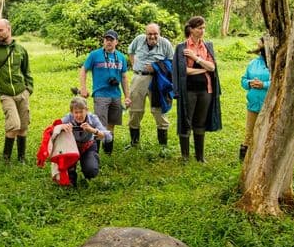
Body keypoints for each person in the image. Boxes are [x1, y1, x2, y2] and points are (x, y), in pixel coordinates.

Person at [171, 16, 221, 162]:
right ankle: (185, 156)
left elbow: (213, 67)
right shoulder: (182, 47)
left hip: (206, 89)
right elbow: (183, 71)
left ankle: (200, 157)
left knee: (200, 122)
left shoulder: (207, 46)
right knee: (187, 120)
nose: (202, 31)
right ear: (191, 29)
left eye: (204, 28)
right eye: (199, 28)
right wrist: (203, 69)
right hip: (188, 89)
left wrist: (196, 58)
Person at [0, 18, 33, 163]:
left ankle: (21, 158)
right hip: (5, 94)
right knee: (14, 124)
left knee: (23, 126)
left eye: (0, 30)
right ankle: (6, 158)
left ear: (8, 29)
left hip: (21, 92)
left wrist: (28, 89)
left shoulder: (20, 49)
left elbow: (27, 71)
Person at [78, 29, 130, 154]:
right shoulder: (95, 55)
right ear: (103, 41)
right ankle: (94, 152)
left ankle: (108, 152)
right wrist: (83, 88)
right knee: (99, 124)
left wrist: (127, 96)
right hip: (100, 94)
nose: (108, 42)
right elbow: (83, 70)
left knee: (112, 124)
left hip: (116, 95)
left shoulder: (121, 57)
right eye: (106, 39)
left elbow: (124, 77)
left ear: (116, 42)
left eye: (111, 40)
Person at [126, 23, 175, 152]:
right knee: (135, 111)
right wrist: (135, 65)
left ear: (159, 33)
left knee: (159, 111)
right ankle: (134, 144)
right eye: (149, 34)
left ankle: (163, 147)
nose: (152, 36)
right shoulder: (138, 39)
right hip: (139, 78)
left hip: (157, 80)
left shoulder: (165, 43)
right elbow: (130, 51)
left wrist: (157, 67)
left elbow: (171, 62)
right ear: (145, 33)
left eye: (155, 34)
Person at [61, 96, 112, 185]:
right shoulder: (68, 118)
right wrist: (62, 128)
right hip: (71, 147)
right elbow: (52, 130)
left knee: (91, 171)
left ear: (87, 110)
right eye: (76, 112)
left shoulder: (93, 118)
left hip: (88, 146)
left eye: (81, 112)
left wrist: (93, 130)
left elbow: (108, 137)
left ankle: (89, 168)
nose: (79, 115)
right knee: (67, 177)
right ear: (71, 112)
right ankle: (71, 177)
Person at [239, 38, 271, 161]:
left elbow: (281, 82)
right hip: (253, 103)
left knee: (267, 132)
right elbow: (243, 80)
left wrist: (264, 84)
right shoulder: (253, 63)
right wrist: (249, 82)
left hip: (269, 104)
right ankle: (246, 159)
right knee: (249, 133)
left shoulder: (276, 63)